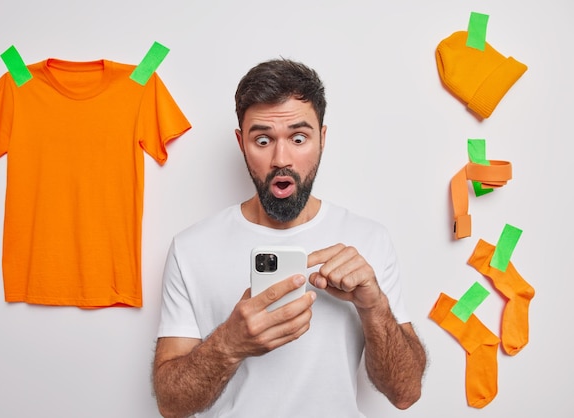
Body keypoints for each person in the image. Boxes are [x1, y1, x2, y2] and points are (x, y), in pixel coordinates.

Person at [152, 58, 427, 417]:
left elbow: (405, 393)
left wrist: (373, 307)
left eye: (299, 138)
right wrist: (229, 345)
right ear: (241, 143)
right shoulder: (191, 249)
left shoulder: (369, 239)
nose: (281, 159)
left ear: (322, 139)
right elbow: (171, 405)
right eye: (263, 139)